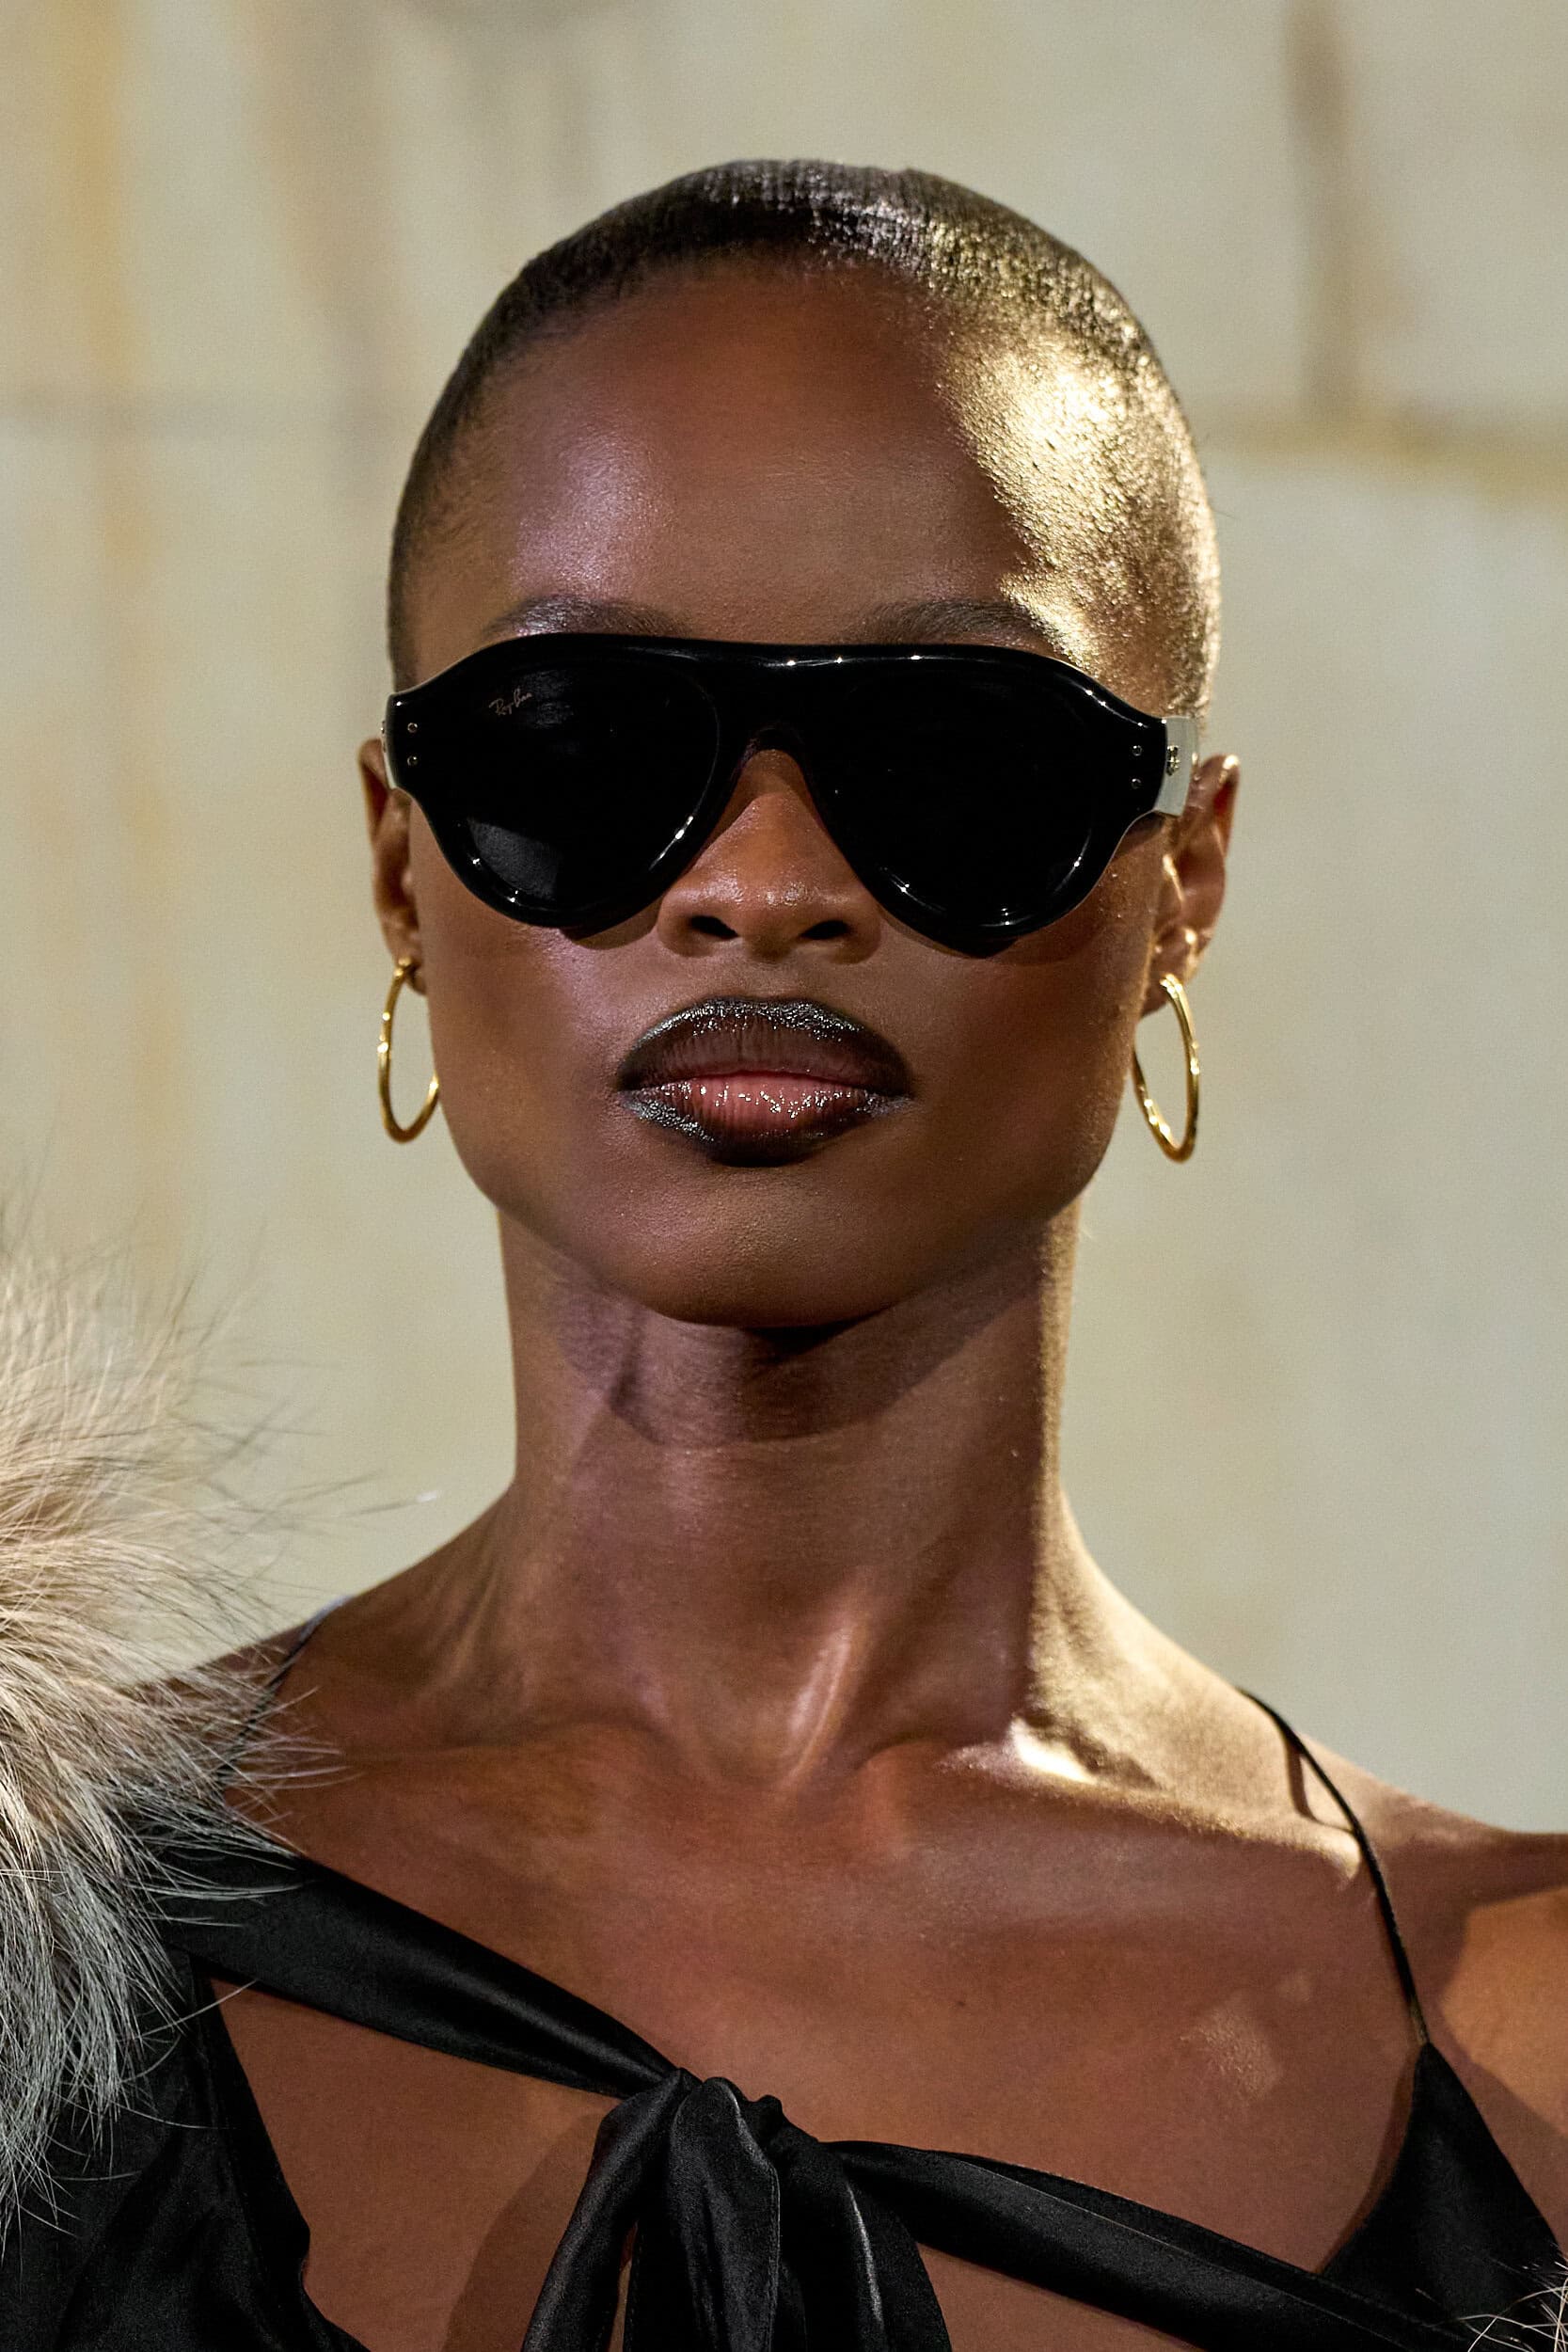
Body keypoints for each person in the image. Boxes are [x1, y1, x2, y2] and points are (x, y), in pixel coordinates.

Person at [3, 160, 1564, 2352]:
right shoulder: (34, 1927)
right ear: (399, 864)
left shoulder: (1532, 2036)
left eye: (955, 751)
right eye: (584, 742)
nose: (760, 879)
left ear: (1184, 883)